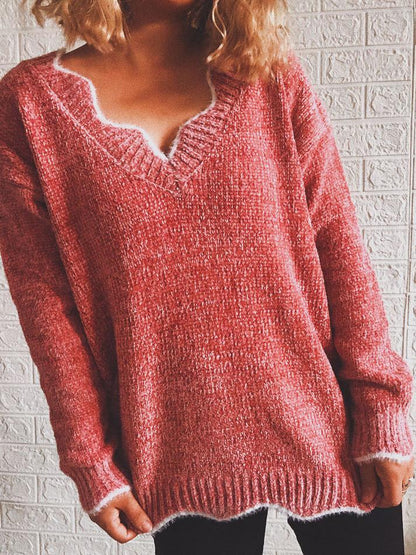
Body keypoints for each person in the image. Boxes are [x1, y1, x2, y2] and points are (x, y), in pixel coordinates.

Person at [0, 0, 414, 553]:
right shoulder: (30, 105)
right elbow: (46, 304)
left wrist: (382, 408)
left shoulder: (267, 76)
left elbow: (339, 245)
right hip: (174, 456)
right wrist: (89, 457)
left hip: (334, 432)